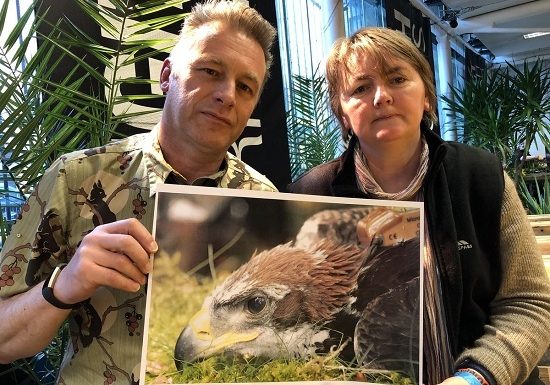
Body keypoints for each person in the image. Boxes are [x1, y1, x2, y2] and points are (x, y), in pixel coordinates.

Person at [0, 1, 277, 384]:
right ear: (167, 76)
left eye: (245, 87)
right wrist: (65, 284)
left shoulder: (263, 196)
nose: (227, 94)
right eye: (211, 71)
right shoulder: (77, 177)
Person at [287, 27, 550, 385]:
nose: (381, 97)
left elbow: (529, 304)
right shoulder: (314, 193)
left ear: (426, 96)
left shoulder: (480, 177)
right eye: (361, 88)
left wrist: (476, 378)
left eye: (397, 79)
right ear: (343, 114)